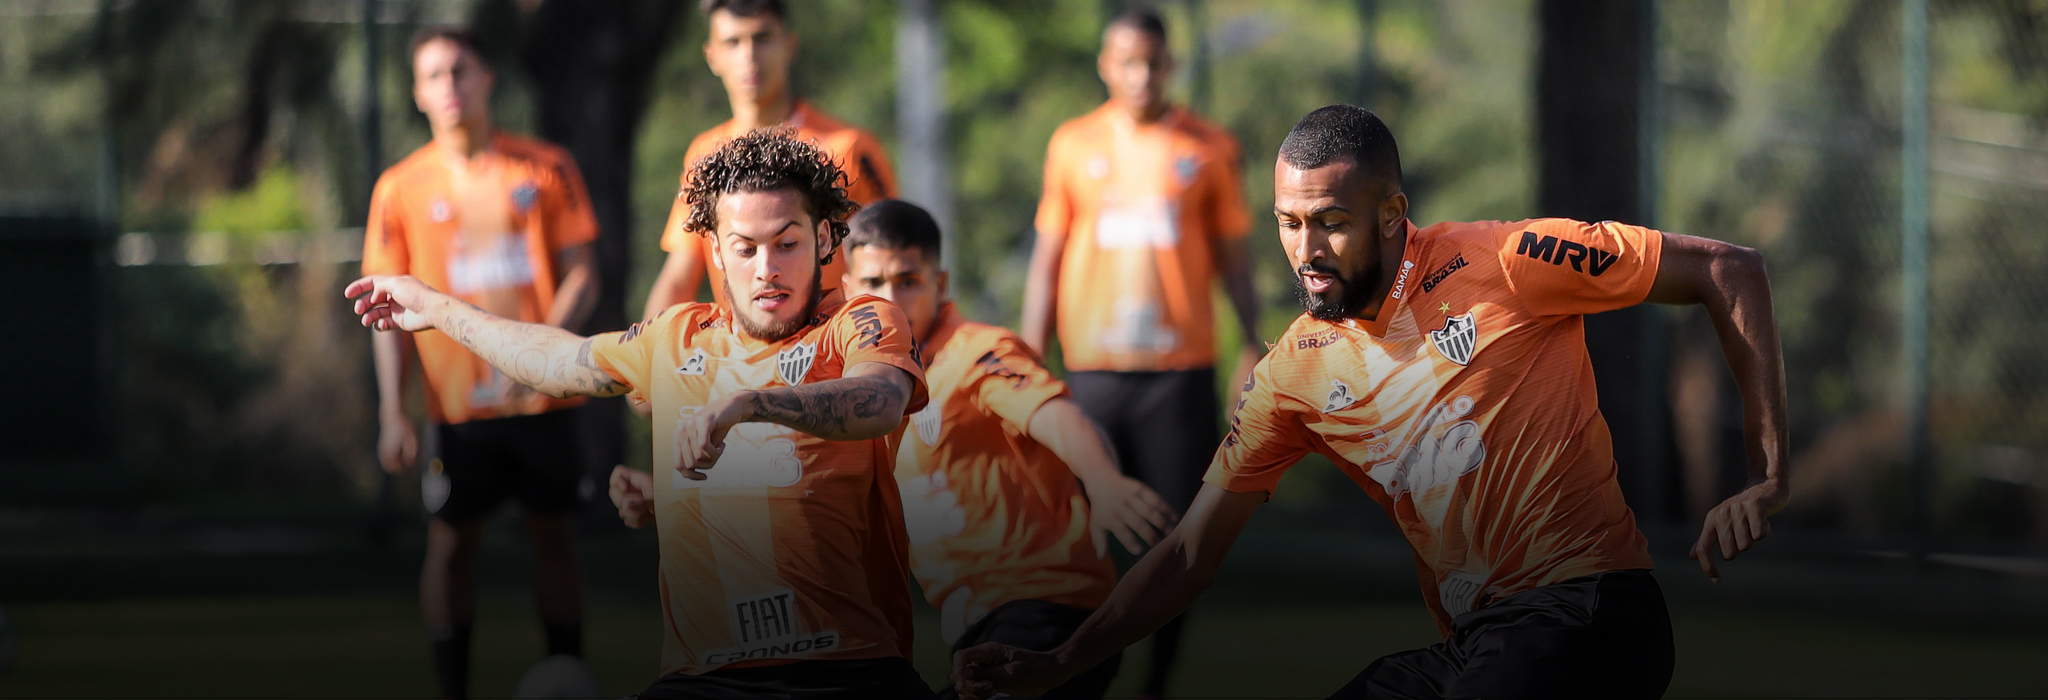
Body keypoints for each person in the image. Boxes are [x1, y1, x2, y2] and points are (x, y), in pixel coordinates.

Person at [955, 105, 1792, 699]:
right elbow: (1188, 555)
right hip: (1473, 648)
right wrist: (1061, 662)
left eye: (1329, 223)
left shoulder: (1506, 259)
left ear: (1394, 214)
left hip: (1590, 615)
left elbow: (1729, 269)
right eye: (1287, 223)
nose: (1305, 252)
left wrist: (1766, 472)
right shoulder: (1293, 374)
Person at [350, 130, 936, 699]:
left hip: (852, 669)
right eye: (745, 248)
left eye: (787, 242)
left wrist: (753, 403)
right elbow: (556, 358)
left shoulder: (862, 321)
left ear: (826, 239)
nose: (766, 268)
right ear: (714, 251)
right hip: (707, 679)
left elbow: (879, 402)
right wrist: (436, 307)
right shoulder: (677, 338)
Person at [839, 200, 1180, 699]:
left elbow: (1056, 415)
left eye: (907, 281)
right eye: (873, 284)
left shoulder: (978, 350)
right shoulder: (867, 383)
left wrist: (1103, 481)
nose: (889, 299)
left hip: (1048, 613)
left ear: (941, 284)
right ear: (848, 291)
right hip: (979, 624)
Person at [1019, 8, 1261, 696]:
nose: (1141, 76)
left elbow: (1234, 258)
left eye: (1153, 62)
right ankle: (1079, 670)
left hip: (1178, 374)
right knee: (1074, 531)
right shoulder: (1072, 144)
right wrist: (1032, 353)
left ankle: (1157, 680)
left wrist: (1250, 341)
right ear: (1105, 64)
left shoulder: (1208, 146)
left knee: (1177, 538)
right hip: (1092, 370)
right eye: (1127, 62)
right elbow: (1048, 259)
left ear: (1171, 65)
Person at [362, 26, 599, 700]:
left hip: (543, 401)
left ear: (487, 78)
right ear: (417, 94)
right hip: (456, 407)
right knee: (452, 543)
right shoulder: (399, 188)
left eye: (460, 70)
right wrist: (391, 412)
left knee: (553, 536)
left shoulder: (546, 167)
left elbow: (583, 273)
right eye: (434, 76)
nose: (449, 86)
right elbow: (384, 310)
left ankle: (569, 673)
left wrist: (539, 353)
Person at [643, 0, 899, 315]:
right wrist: (643, 355)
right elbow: (679, 275)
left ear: (789, 45)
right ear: (712, 56)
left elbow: (896, 261)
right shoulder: (705, 153)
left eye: (762, 38)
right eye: (733, 42)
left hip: (834, 352)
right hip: (743, 358)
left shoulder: (849, 147)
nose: (749, 56)